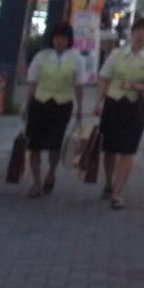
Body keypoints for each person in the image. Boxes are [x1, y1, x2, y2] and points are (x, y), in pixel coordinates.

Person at [97, 17, 144, 210]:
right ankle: (108, 183)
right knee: (109, 149)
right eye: (137, 30)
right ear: (131, 33)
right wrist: (99, 100)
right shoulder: (117, 54)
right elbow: (103, 77)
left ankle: (118, 193)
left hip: (135, 107)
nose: (140, 35)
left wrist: (134, 86)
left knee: (128, 150)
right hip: (113, 103)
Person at [21, 22, 87, 198]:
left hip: (62, 105)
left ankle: (51, 172)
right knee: (34, 144)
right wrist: (26, 106)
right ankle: (36, 182)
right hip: (39, 103)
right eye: (57, 37)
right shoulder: (41, 57)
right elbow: (32, 83)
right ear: (52, 38)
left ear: (69, 40)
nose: (59, 41)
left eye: (63, 38)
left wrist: (80, 109)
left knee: (55, 144)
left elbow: (79, 86)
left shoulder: (77, 59)